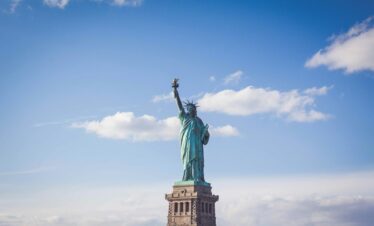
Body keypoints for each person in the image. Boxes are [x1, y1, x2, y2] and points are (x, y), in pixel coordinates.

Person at [172, 79, 209, 182]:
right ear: (188, 110)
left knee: (198, 160)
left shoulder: (199, 121)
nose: (193, 110)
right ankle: (188, 177)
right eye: (190, 109)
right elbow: (179, 104)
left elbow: (204, 136)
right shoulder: (185, 117)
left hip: (197, 145)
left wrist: (206, 133)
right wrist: (175, 89)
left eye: (194, 109)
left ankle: (197, 177)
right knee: (188, 159)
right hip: (187, 143)